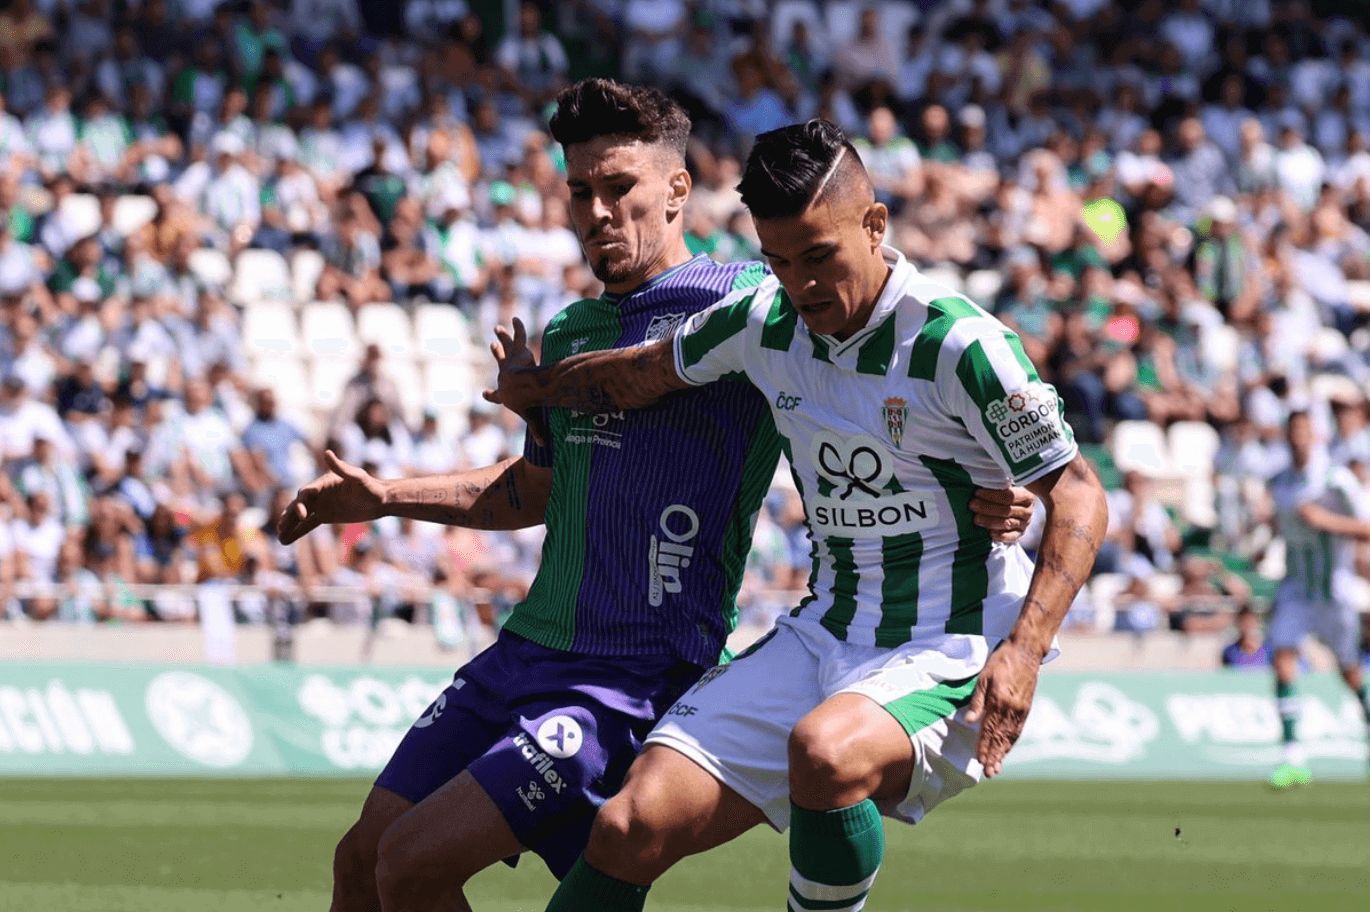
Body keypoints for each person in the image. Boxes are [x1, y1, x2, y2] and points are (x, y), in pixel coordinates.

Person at [279, 81, 1031, 912]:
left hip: (632, 677)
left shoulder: (757, 304)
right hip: (525, 649)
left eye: (618, 186)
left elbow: (867, 373)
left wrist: (987, 484)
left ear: (677, 189)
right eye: (579, 191)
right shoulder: (571, 332)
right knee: (361, 861)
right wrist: (387, 496)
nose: (597, 211)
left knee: (412, 864)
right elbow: (534, 492)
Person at [490, 119, 1107, 912]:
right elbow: (643, 373)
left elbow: (1079, 493)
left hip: (949, 642)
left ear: (875, 224)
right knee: (627, 825)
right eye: (779, 262)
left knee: (824, 752)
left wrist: (1024, 651)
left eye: (818, 257)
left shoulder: (960, 343)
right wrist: (540, 390)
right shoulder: (762, 321)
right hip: (824, 630)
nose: (801, 285)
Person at [1266, 411, 1370, 789]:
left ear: (1316, 436)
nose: (1299, 437)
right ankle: (1292, 756)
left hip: (1334, 590)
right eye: (1293, 430)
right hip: (1296, 586)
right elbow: (1280, 526)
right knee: (1283, 656)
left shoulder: (1336, 479)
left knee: (1349, 670)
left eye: (1305, 431)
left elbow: (1366, 527)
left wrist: (1325, 521)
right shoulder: (1279, 482)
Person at [1220, 604, 1271, 669]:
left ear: (1257, 622)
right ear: (1237, 624)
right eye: (1244, 622)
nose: (1248, 626)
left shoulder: (1268, 650)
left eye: (1250, 621)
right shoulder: (1229, 652)